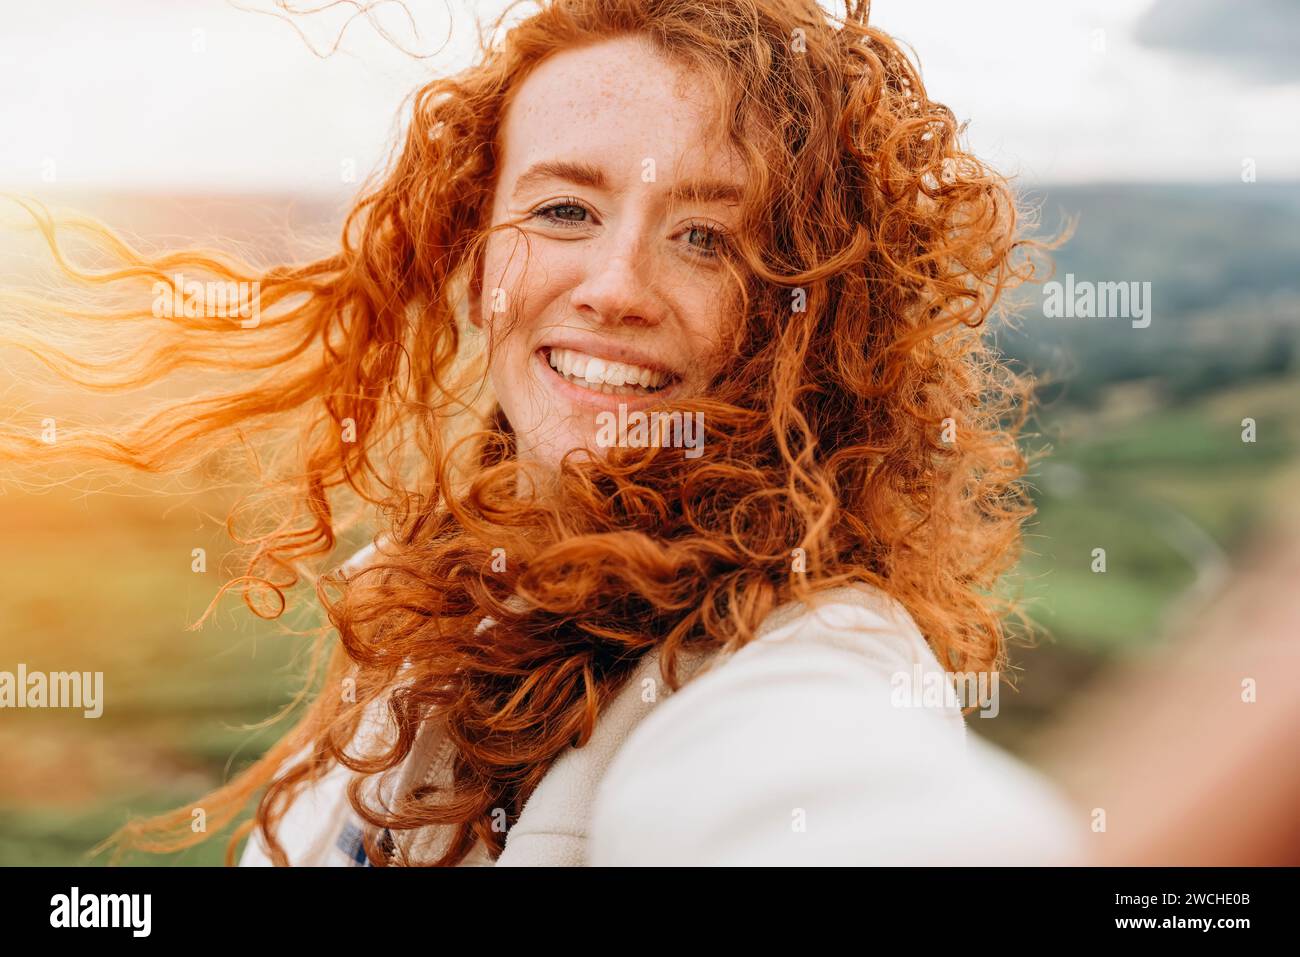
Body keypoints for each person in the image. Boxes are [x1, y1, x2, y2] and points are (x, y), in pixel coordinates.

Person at [8, 0, 1080, 866]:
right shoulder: (421, 592)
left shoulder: (796, 658)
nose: (614, 288)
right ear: (479, 264)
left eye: (706, 237)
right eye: (564, 210)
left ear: (807, 315)